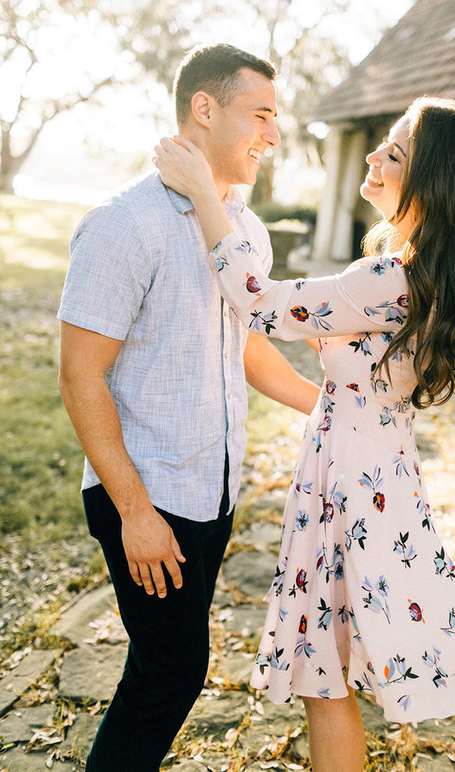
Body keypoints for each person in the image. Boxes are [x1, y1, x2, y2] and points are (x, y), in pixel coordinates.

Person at [153, 96, 455, 772]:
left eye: (396, 153)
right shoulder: (420, 276)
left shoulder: (388, 278)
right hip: (375, 474)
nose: (376, 158)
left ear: (431, 183)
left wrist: (204, 194)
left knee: (324, 675)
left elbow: (262, 304)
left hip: (348, 487)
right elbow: (341, 387)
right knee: (327, 675)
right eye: (382, 143)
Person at [57, 43, 320, 772]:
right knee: (169, 672)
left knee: (162, 666)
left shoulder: (245, 231)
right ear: (204, 109)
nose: (272, 134)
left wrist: (327, 403)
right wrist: (136, 511)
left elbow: (249, 345)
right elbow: (81, 376)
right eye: (260, 114)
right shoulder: (122, 223)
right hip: (148, 493)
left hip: (215, 489)